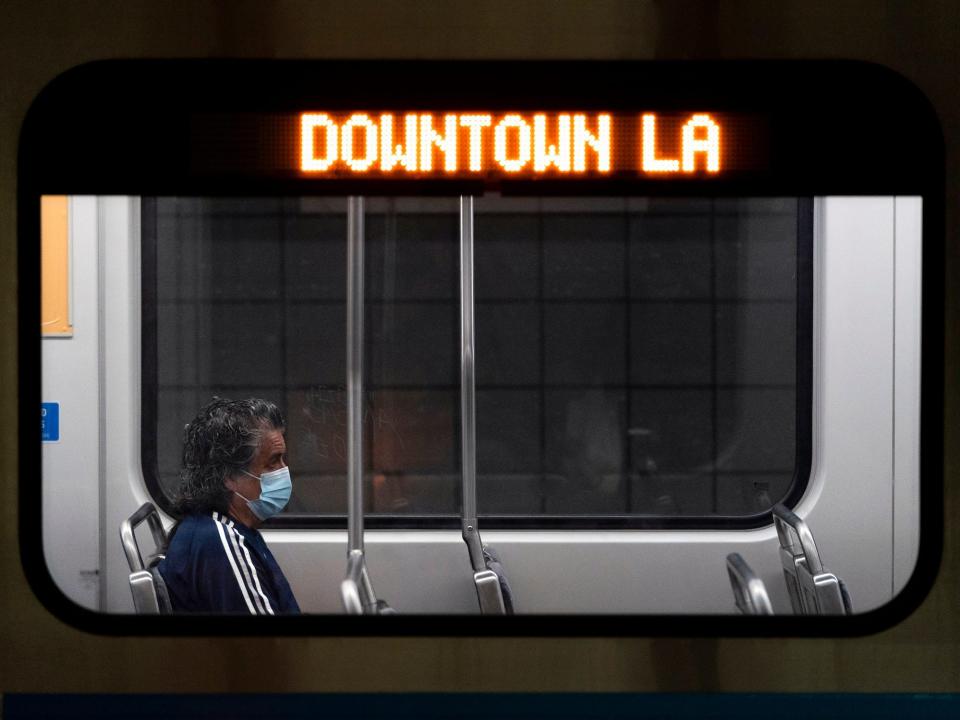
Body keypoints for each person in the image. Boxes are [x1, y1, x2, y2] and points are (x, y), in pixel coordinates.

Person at [157, 397, 301, 614]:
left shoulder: (227, 529)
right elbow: (270, 645)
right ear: (230, 476)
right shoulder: (219, 542)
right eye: (273, 462)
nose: (284, 471)